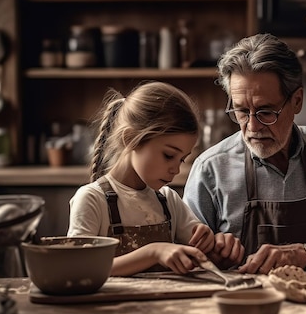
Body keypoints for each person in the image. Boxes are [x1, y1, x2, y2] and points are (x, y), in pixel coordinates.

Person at [183, 33, 306, 274]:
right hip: (244, 300)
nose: (253, 127)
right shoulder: (210, 167)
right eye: (242, 112)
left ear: (297, 101)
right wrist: (212, 255)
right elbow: (186, 255)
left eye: (266, 112)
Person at [68, 81, 244, 276]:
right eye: (169, 155)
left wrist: (215, 247)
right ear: (130, 138)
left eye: (182, 159)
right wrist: (153, 253)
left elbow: (201, 255)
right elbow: (79, 268)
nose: (176, 169)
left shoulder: (168, 200)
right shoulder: (92, 200)